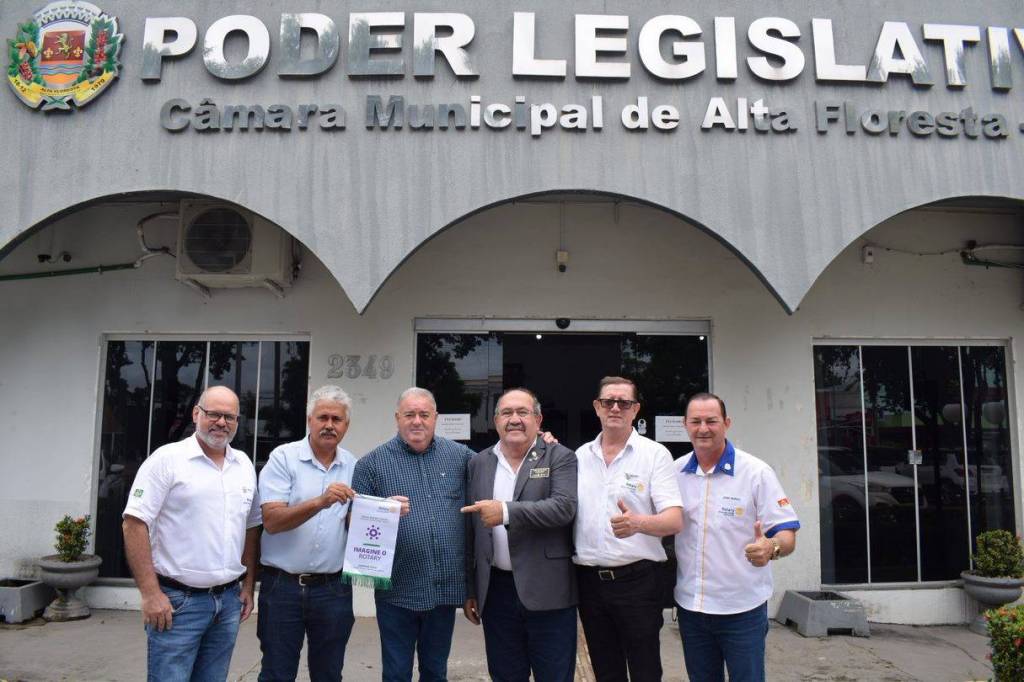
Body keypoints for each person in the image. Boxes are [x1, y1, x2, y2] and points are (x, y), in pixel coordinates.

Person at [122, 386, 261, 682]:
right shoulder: (167, 459)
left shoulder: (244, 465)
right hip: (177, 603)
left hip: (228, 603)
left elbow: (251, 527)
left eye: (229, 417)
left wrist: (248, 586)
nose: (221, 422)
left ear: (238, 422)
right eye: (214, 414)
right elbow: (134, 523)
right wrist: (150, 594)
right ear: (196, 413)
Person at [351, 387, 474, 682]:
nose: (417, 421)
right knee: (396, 673)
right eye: (409, 414)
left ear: (435, 418)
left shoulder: (461, 458)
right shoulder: (371, 465)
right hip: (397, 589)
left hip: (443, 589)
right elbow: (352, 524)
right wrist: (381, 511)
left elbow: (501, 464)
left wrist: (540, 444)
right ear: (397, 418)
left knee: (435, 671)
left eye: (424, 414)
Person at [674, 392, 799, 682]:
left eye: (711, 421)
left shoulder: (756, 473)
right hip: (692, 608)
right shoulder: (675, 472)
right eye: (695, 421)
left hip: (742, 610)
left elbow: (787, 534)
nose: (703, 428)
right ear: (685, 425)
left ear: (727, 423)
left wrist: (771, 546)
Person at [461, 388, 578, 682]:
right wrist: (471, 589)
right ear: (496, 421)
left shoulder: (560, 456)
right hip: (496, 592)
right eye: (506, 413)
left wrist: (505, 512)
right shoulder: (479, 463)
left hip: (548, 591)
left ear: (538, 420)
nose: (514, 419)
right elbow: (471, 532)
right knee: (505, 675)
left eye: (522, 412)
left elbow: (563, 508)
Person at [574, 376, 683, 681]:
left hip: (637, 582)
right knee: (605, 669)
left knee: (644, 669)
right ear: (597, 407)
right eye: (608, 401)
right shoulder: (579, 457)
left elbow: (674, 520)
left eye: (624, 403)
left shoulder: (655, 455)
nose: (615, 408)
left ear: (635, 410)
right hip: (589, 582)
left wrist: (639, 523)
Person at [255, 385, 358, 682]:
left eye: (337, 419)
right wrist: (320, 502)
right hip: (282, 588)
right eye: (322, 417)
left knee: (329, 674)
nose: (329, 425)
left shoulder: (353, 465)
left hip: (333, 589)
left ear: (346, 425)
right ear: (309, 420)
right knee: (277, 674)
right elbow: (272, 521)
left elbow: (356, 524)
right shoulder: (283, 458)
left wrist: (387, 513)